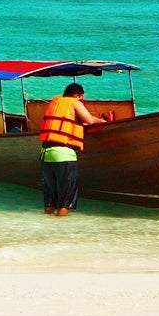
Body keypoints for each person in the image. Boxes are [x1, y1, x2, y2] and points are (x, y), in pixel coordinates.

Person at [38, 81, 102, 217]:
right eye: (82, 99)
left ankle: (47, 226)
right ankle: (60, 231)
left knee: (50, 200)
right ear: (76, 95)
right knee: (65, 201)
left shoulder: (55, 102)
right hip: (64, 155)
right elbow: (89, 120)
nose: (82, 102)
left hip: (45, 154)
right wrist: (103, 122)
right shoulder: (74, 102)